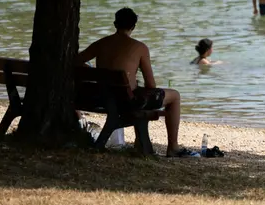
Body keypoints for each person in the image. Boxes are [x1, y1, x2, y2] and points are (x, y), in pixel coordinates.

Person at [77, 8, 188, 156]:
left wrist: (92, 71)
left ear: (115, 23)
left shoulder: (100, 44)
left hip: (102, 97)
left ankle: (141, 143)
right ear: (133, 27)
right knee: (175, 96)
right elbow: (151, 85)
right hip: (127, 101)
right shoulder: (140, 47)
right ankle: (173, 147)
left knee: (135, 93)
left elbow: (76, 61)